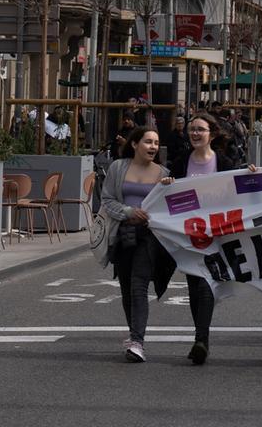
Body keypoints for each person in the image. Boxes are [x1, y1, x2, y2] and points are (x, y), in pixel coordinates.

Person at [99, 126, 175, 363]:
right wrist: (128, 211)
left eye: (156, 142)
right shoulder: (118, 168)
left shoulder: (163, 173)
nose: (153, 146)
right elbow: (107, 199)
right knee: (125, 287)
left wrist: (168, 188)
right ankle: (134, 334)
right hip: (122, 234)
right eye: (148, 141)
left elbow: (169, 207)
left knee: (138, 285)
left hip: (149, 237)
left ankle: (137, 341)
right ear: (134, 144)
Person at [169, 112, 238, 365]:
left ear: (212, 133)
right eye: (191, 129)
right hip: (188, 235)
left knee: (206, 282)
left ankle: (201, 339)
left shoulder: (225, 163)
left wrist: (251, 175)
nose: (195, 133)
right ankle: (200, 337)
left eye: (200, 129)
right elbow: (168, 193)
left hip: (215, 235)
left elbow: (236, 192)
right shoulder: (180, 162)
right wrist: (167, 183)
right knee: (194, 285)